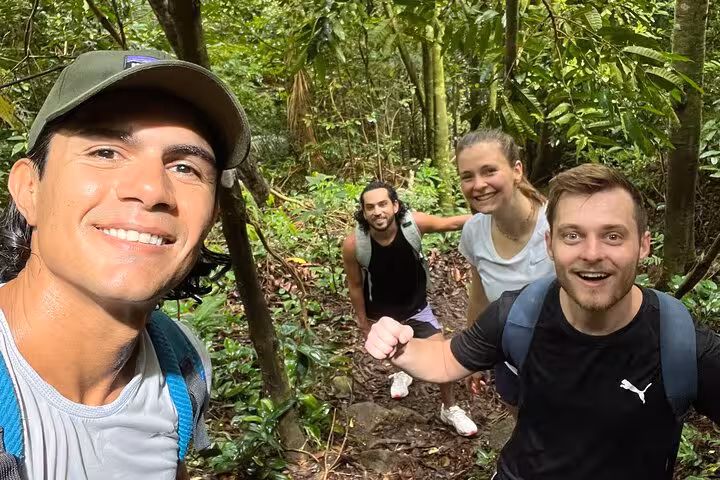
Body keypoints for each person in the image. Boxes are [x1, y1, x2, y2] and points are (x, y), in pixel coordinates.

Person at [364, 164, 720, 479]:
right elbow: (444, 359)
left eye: (613, 236)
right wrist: (399, 345)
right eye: (572, 235)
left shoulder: (683, 344)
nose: (592, 254)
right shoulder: (520, 314)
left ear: (643, 246)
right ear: (550, 245)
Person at [0, 49, 251, 479]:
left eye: (186, 167)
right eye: (104, 152)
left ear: (209, 218)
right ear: (29, 190)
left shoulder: (184, 370)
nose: (153, 189)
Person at [342, 180, 478, 436]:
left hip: (417, 308)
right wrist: (363, 322)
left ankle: (449, 408)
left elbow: (450, 223)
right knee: (396, 352)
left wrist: (488, 213)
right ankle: (403, 373)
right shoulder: (353, 245)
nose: (377, 211)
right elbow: (355, 285)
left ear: (394, 206)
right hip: (382, 316)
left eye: (383, 204)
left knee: (442, 357)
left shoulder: (412, 225)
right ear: (363, 211)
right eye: (370, 207)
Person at [455, 130, 554, 405]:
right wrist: (473, 357)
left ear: (516, 170)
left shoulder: (558, 224)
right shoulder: (474, 232)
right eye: (467, 176)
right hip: (510, 362)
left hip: (568, 365)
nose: (478, 185)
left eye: (489, 171)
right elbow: (479, 299)